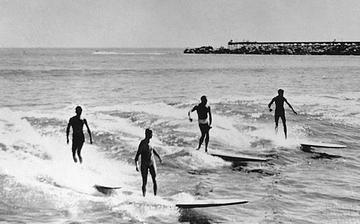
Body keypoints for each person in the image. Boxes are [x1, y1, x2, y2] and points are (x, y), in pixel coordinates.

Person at [135, 129, 162, 197]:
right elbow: (137, 155)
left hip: (151, 163)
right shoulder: (142, 144)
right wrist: (137, 165)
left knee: (154, 180)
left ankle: (155, 196)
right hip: (144, 164)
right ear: (147, 134)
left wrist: (158, 157)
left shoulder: (151, 142)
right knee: (144, 182)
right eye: (151, 134)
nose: (152, 135)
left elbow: (152, 150)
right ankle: (144, 196)